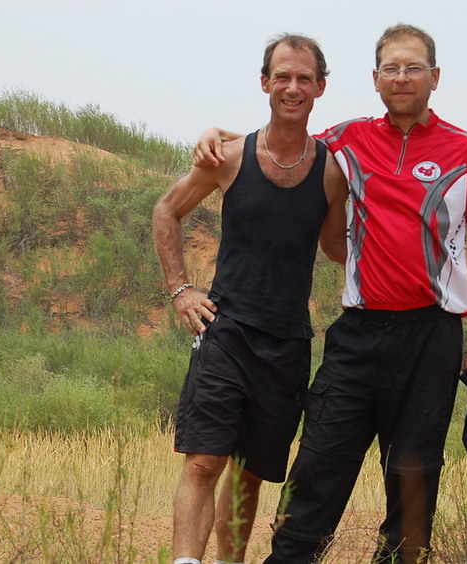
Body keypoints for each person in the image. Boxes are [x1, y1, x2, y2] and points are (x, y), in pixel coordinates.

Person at [194, 23, 467, 564]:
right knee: (317, 465)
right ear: (375, 78)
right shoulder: (348, 139)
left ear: (435, 77)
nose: (402, 77)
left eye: (413, 67)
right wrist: (219, 133)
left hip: (431, 336)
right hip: (357, 336)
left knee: (413, 476)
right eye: (391, 67)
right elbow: (282, 136)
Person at [152, 33, 348, 564]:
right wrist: (180, 289)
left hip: (288, 343)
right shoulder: (229, 158)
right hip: (226, 330)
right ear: (264, 83)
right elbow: (166, 210)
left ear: (320, 88)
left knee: (250, 476)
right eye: (282, 76)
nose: (292, 86)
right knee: (201, 464)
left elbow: (335, 247)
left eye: (303, 78)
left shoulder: (333, 172)